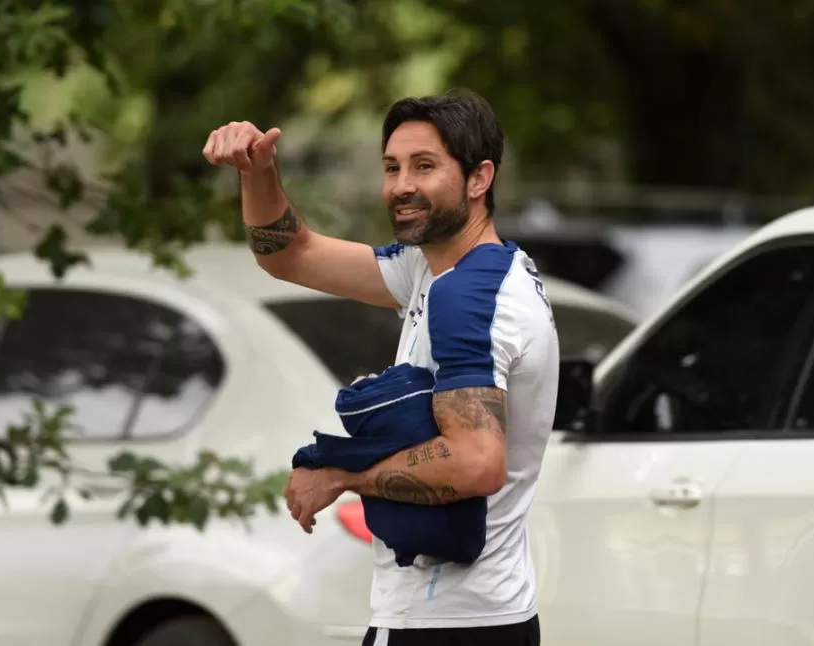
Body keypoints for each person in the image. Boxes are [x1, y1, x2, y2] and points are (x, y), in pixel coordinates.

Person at [202, 89, 559, 646]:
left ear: (479, 178)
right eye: (392, 167)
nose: (401, 185)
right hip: (482, 618)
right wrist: (258, 171)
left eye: (424, 166)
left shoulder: (468, 295)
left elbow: (476, 461)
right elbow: (289, 255)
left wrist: (342, 474)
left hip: (448, 624)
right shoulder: (438, 269)